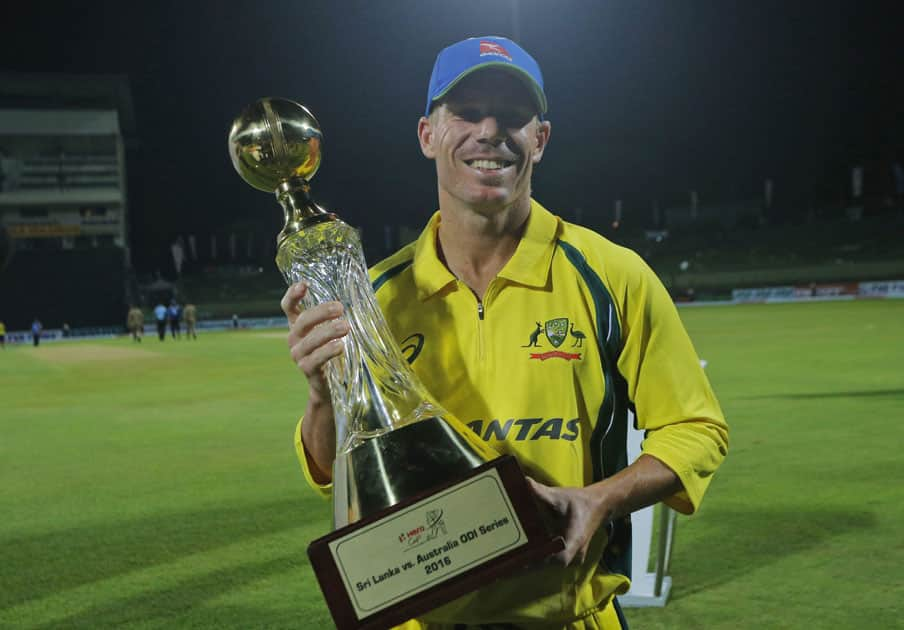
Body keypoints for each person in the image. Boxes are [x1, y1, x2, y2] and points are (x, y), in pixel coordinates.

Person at [281, 36, 728, 629]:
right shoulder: (376, 296)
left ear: (538, 140)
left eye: (513, 116)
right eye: (466, 113)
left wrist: (598, 500)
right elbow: (338, 476)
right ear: (427, 135)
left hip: (569, 615)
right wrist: (321, 395)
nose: (489, 131)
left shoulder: (611, 276)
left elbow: (697, 430)